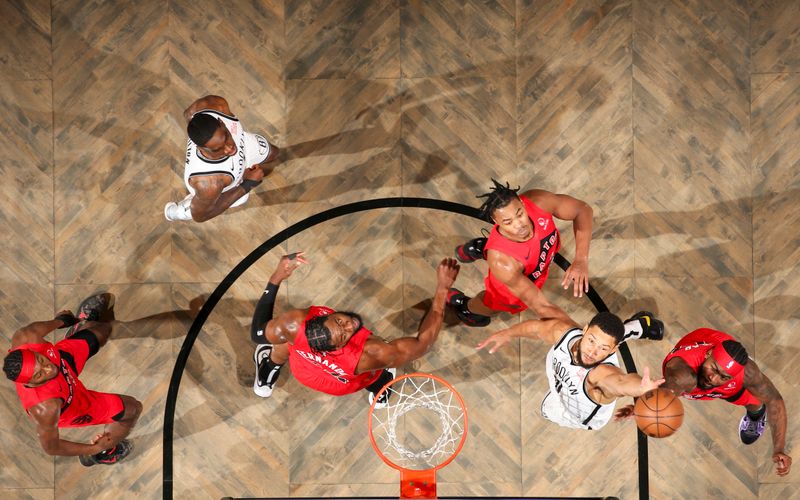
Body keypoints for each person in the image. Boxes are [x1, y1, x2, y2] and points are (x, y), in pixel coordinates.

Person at [248, 253, 459, 406]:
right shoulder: (372, 353)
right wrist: (442, 290)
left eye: (339, 321)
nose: (350, 324)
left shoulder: (295, 325)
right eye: (344, 334)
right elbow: (424, 344)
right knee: (378, 370)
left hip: (305, 369)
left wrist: (276, 278)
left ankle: (268, 368)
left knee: (287, 342)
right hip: (339, 384)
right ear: (338, 345)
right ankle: (380, 388)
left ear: (321, 318)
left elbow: (258, 333)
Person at [617, 328, 790, 476]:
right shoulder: (682, 375)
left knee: (756, 402)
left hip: (729, 378)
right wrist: (643, 407)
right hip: (695, 361)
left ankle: (756, 415)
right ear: (708, 354)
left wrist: (779, 449)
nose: (714, 379)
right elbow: (666, 393)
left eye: (723, 376)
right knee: (697, 384)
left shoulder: (747, 373)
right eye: (714, 369)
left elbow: (775, 401)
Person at [2, 294, 142, 466]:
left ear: (32, 350)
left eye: (40, 360)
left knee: (102, 330)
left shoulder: (27, 335)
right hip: (73, 403)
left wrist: (65, 320)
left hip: (63, 363)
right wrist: (92, 449)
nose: (48, 369)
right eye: (39, 375)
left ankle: (80, 326)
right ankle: (105, 453)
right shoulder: (46, 408)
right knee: (132, 409)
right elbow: (51, 448)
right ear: (30, 383)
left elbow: (60, 320)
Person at [477, 310, 664, 430]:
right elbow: (535, 328)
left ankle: (637, 326)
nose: (593, 352)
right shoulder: (564, 333)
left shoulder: (600, 376)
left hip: (583, 416)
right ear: (584, 330)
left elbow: (620, 383)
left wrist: (640, 388)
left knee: (546, 411)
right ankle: (639, 325)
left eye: (604, 350)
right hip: (563, 382)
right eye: (591, 340)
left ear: (613, 352)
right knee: (606, 336)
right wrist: (507, 333)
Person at [448, 179, 593, 327]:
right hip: (510, 277)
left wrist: (581, 259)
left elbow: (582, 209)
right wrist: (577, 332)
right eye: (508, 222)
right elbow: (541, 306)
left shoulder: (539, 201)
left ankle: (481, 247)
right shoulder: (502, 263)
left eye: (519, 214)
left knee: (503, 252)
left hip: (529, 265)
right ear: (495, 221)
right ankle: (465, 307)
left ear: (523, 203)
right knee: (493, 306)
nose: (519, 225)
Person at [164, 94, 281, 222]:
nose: (230, 149)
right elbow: (201, 216)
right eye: (217, 149)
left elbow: (188, 114)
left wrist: (199, 131)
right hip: (224, 187)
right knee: (200, 208)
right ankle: (182, 211)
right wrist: (247, 184)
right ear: (201, 149)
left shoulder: (215, 105)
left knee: (274, 153)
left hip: (244, 145)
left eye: (226, 137)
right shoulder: (209, 184)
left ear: (222, 123)